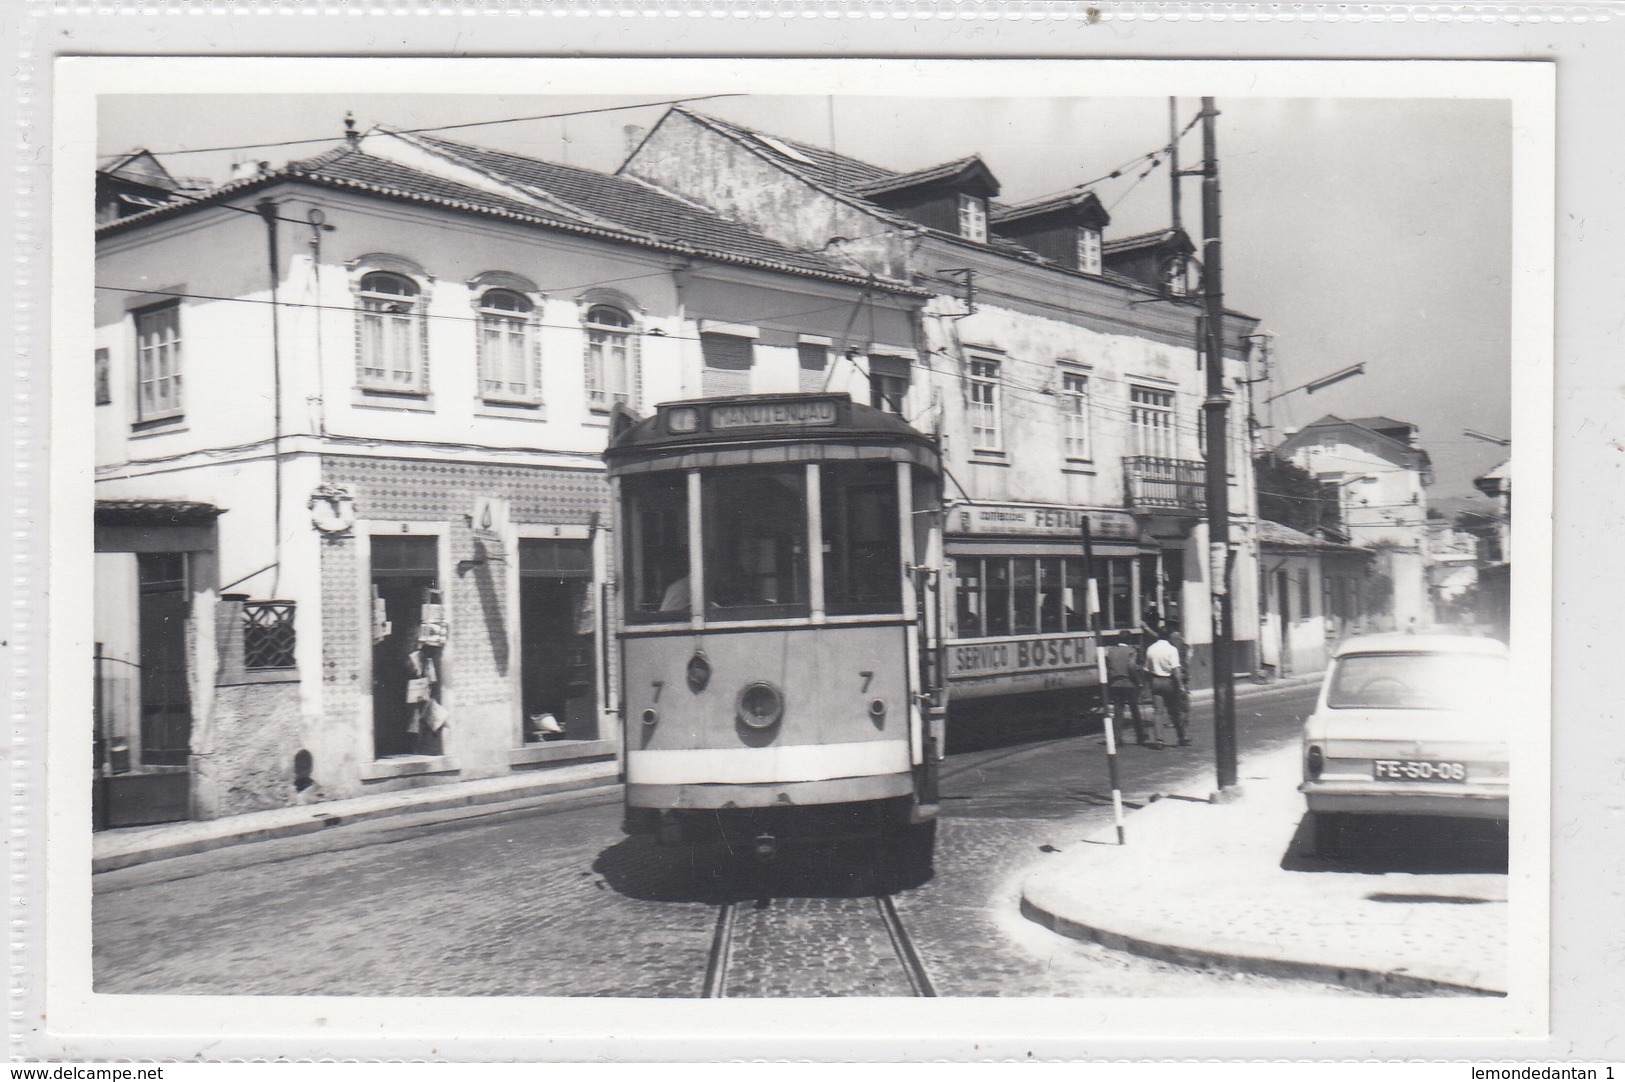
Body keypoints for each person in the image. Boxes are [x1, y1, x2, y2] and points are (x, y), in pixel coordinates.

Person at [1145, 623, 1189, 747]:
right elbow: (1176, 670)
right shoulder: (1172, 649)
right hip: (1169, 682)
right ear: (1169, 636)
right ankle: (1182, 736)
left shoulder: (1150, 649)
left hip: (1155, 681)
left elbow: (1147, 669)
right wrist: (1180, 686)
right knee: (1174, 710)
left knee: (1158, 712)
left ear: (1158, 635)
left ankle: (1159, 740)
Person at [1103, 632, 1150, 747]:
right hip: (1129, 684)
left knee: (1118, 712)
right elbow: (1131, 666)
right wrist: (1138, 681)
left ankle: (1117, 738)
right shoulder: (1131, 651)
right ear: (1129, 640)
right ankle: (1140, 737)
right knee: (1135, 711)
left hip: (1115, 684)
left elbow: (1108, 667)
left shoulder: (1111, 651)